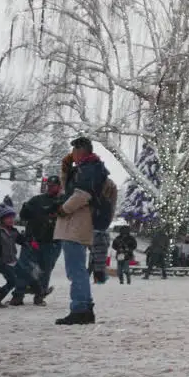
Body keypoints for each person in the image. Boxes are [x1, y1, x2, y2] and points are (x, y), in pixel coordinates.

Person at [53, 136, 109, 325]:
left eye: (75, 150)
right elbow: (68, 188)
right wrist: (65, 169)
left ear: (81, 151)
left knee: (75, 270)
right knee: (77, 270)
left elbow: (81, 194)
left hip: (75, 223)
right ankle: (84, 307)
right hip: (77, 224)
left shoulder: (88, 169)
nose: (72, 154)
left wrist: (63, 209)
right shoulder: (87, 168)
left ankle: (80, 308)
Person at [12, 176, 62, 306]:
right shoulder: (37, 200)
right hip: (32, 240)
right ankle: (18, 295)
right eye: (48, 185)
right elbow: (24, 216)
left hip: (52, 242)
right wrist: (25, 209)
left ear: (59, 187)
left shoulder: (64, 202)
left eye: (53, 185)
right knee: (24, 268)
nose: (49, 187)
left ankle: (39, 296)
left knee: (45, 270)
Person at [0, 208, 21, 308]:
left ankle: (36, 291)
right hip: (1, 261)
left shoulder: (14, 231)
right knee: (12, 281)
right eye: (8, 218)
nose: (11, 220)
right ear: (2, 219)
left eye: (12, 217)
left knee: (21, 277)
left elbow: (23, 240)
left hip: (12, 261)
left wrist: (31, 242)